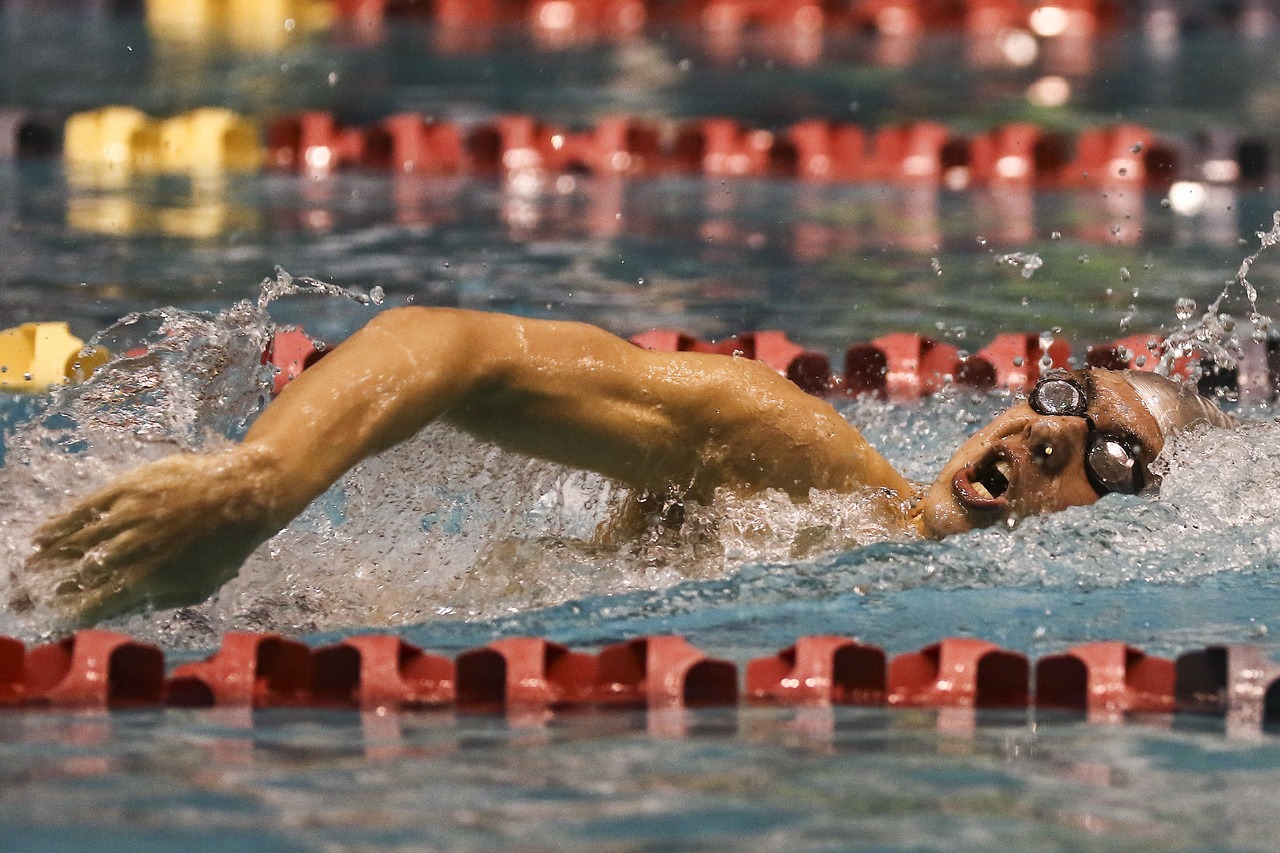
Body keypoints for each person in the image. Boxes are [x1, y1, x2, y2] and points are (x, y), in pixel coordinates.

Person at [24, 307, 1234, 624]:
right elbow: (457, 348)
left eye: (1108, 458)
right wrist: (259, 486)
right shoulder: (790, 453)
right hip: (241, 587)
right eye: (1061, 401)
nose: (1045, 434)